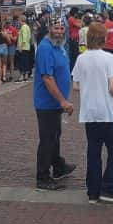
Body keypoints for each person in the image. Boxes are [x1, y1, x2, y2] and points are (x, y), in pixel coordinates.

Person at [72, 21, 113, 204]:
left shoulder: (81, 58)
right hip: (107, 111)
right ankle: (108, 187)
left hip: (89, 112)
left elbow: (76, 85)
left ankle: (93, 191)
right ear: (103, 38)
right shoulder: (108, 58)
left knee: (93, 151)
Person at [33, 22, 76, 191]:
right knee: (47, 139)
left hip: (54, 103)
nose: (59, 31)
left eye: (61, 28)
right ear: (49, 29)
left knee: (55, 135)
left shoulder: (59, 46)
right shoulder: (45, 48)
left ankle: (58, 166)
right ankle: (42, 176)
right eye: (55, 28)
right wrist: (62, 101)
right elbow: (47, 77)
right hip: (47, 103)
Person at [16, 14, 33, 81]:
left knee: (22, 62)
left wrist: (20, 47)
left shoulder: (23, 27)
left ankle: (22, 76)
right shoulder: (27, 27)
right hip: (26, 47)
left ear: (21, 20)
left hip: (23, 47)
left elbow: (25, 38)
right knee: (25, 61)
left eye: (19, 20)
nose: (18, 21)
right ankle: (25, 75)